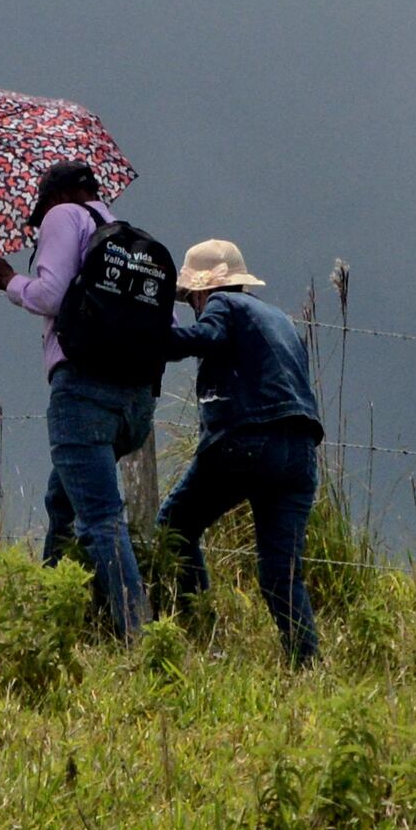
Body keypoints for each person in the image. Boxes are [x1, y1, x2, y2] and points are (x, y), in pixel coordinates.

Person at [0, 159, 178, 633]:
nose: (38, 222)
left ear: (59, 197)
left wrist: (7, 280)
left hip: (84, 394)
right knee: (62, 503)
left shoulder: (64, 218)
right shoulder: (127, 236)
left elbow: (49, 295)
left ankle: (137, 636)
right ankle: (54, 613)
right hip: (136, 404)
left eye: (39, 210)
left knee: (100, 520)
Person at [154, 241, 325, 665]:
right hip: (300, 451)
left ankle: (199, 632)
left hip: (246, 440)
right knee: (281, 574)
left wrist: (151, 337)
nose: (194, 304)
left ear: (201, 290)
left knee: (176, 525)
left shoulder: (223, 305)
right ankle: (306, 664)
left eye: (191, 296)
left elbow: (207, 337)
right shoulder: (280, 320)